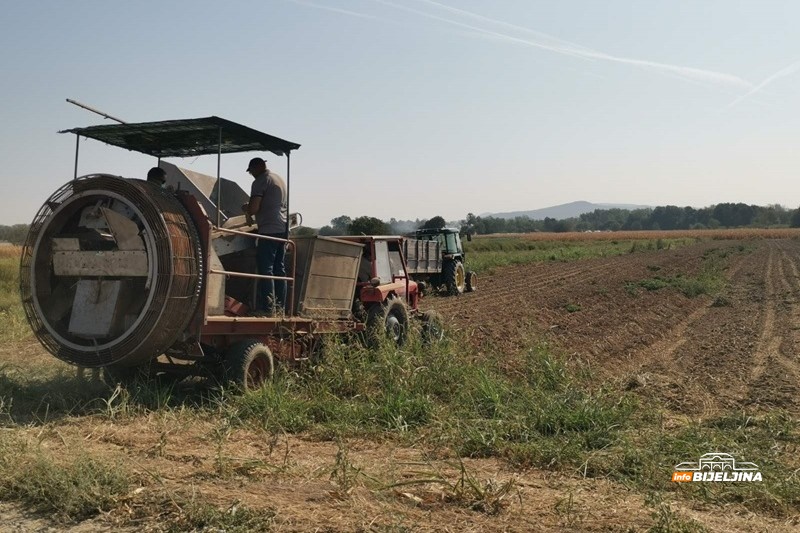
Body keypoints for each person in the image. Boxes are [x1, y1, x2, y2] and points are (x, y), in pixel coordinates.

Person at [243, 157, 288, 315]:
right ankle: (280, 308)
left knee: (266, 268)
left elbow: (254, 208)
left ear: (258, 167)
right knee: (279, 269)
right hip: (282, 228)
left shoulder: (261, 181)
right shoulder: (278, 179)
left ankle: (268, 308)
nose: (251, 175)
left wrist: (247, 208)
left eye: (252, 171)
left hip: (269, 228)